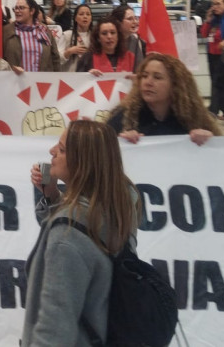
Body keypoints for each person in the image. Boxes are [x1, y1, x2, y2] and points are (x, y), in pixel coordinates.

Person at [22, 122, 139, 347]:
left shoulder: (66, 237)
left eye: (63, 149)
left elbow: (54, 328)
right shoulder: (119, 209)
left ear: (83, 163)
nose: (52, 151)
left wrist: (58, 208)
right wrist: (53, 196)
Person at [107, 53, 220, 145]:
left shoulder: (195, 117)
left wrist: (210, 141)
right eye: (144, 76)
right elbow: (101, 155)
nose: (148, 82)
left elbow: (221, 156)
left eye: (157, 77)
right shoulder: (123, 116)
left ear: (175, 85)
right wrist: (120, 141)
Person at [2, 0, 61, 72]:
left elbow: (55, 58)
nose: (17, 11)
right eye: (15, 8)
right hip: (15, 80)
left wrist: (57, 77)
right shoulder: (7, 30)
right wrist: (10, 68)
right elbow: (0, 58)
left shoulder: (44, 30)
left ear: (32, 11)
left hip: (41, 81)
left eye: (21, 8)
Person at [57, 4, 94, 73]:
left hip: (91, 76)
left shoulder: (95, 36)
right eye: (81, 14)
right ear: (75, 18)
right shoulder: (67, 35)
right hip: (71, 76)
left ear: (91, 18)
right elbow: (58, 59)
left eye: (88, 14)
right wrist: (69, 51)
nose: (85, 16)